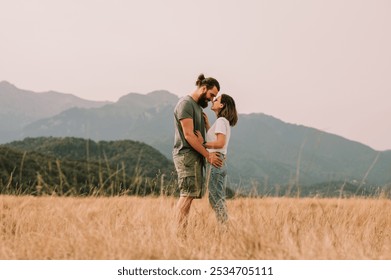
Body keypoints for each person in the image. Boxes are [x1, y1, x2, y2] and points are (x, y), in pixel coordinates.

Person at [173, 73, 223, 234]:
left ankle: (181, 234)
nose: (211, 100)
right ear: (203, 88)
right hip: (186, 156)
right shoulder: (185, 104)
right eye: (211, 95)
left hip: (195, 157)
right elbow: (188, 136)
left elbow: (201, 137)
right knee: (187, 195)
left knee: (190, 196)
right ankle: (177, 234)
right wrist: (208, 155)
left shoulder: (197, 107)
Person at [196, 94, 238, 224]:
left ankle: (225, 228)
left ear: (222, 105)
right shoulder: (222, 122)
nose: (213, 100)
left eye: (217, 99)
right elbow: (215, 139)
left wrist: (202, 143)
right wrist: (208, 125)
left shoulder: (221, 121)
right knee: (218, 198)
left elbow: (219, 143)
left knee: (215, 199)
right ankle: (226, 227)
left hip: (215, 162)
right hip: (220, 161)